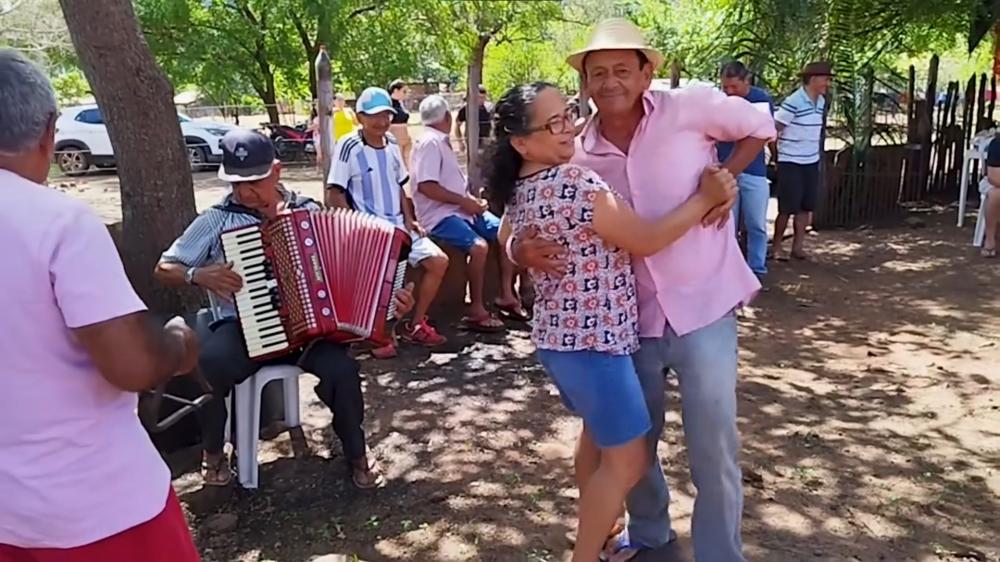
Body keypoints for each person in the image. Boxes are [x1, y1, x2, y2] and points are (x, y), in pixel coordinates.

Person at [507, 19, 775, 561]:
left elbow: (761, 124)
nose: (610, 82)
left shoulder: (691, 106)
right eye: (598, 72)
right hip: (628, 322)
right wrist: (519, 252)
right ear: (584, 80)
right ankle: (651, 535)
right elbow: (511, 217)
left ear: (647, 72)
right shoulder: (572, 149)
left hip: (703, 306)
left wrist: (726, 175)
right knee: (638, 442)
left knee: (712, 444)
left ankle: (721, 553)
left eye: (623, 70)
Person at [0, 49, 201, 561]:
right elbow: (130, 364)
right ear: (49, 132)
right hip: (96, 511)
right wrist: (179, 344)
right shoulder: (58, 223)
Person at [155, 129, 415, 489]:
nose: (245, 192)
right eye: (236, 183)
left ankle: (357, 453)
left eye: (254, 182)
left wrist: (392, 306)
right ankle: (214, 452)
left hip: (309, 333)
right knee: (210, 362)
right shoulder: (217, 220)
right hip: (243, 329)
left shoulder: (309, 212)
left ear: (276, 170)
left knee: (342, 370)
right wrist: (199, 275)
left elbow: (358, 277)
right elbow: (165, 267)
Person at [326, 87, 449, 357]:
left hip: (399, 228)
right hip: (370, 231)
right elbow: (335, 192)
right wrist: (355, 228)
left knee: (438, 261)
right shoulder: (348, 146)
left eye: (386, 115)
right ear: (360, 117)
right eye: (374, 116)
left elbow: (399, 185)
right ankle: (376, 334)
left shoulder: (393, 143)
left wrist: (409, 218)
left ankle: (415, 324)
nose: (381, 122)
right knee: (384, 276)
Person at [411, 94, 527, 331]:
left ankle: (507, 294)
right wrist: (464, 202)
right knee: (478, 247)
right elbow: (426, 186)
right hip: (441, 215)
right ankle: (476, 308)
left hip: (462, 209)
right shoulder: (430, 143)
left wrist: (470, 202)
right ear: (446, 117)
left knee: (508, 232)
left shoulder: (439, 141)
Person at [719, 61, 775, 281]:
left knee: (756, 224)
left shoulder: (761, 99)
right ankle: (729, 271)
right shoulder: (719, 101)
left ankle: (756, 269)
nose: (730, 92)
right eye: (725, 88)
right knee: (727, 226)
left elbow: (763, 133)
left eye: (734, 87)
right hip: (726, 169)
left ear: (747, 81)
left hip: (754, 170)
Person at [772, 61, 833, 261]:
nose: (827, 83)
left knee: (806, 206)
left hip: (810, 160)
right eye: (825, 79)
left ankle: (798, 247)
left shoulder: (821, 102)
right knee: (786, 207)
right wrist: (776, 155)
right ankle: (777, 247)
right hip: (791, 161)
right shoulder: (794, 101)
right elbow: (774, 129)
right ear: (813, 79)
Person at [979, 134, 1000, 257]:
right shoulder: (997, 144)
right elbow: (994, 178)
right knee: (996, 193)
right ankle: (990, 239)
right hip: (995, 182)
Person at [456, 83, 493, 153]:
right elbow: (457, 126)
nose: (482, 100)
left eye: (483, 97)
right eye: (479, 97)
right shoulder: (465, 109)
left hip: (486, 140)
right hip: (471, 140)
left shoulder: (489, 108)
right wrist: (460, 142)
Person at [387, 79, 413, 167]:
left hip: (405, 138)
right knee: (399, 165)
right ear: (395, 90)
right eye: (404, 91)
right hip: (395, 139)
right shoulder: (388, 105)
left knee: (408, 165)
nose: (405, 94)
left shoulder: (400, 104)